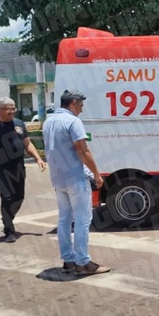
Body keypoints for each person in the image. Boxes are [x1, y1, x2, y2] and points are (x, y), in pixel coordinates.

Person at [43, 88, 110, 276]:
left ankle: (68, 260)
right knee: (82, 219)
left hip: (58, 178)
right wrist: (96, 174)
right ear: (73, 103)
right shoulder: (73, 121)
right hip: (75, 178)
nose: (82, 108)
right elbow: (83, 151)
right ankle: (83, 262)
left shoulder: (48, 122)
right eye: (80, 104)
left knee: (64, 219)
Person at [0, 97, 46, 243]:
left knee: (19, 198)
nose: (12, 111)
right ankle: (8, 229)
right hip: (1, 169)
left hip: (19, 167)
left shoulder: (19, 124)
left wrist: (38, 158)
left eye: (13, 108)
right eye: (9, 109)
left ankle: (7, 218)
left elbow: (27, 143)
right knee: (7, 197)